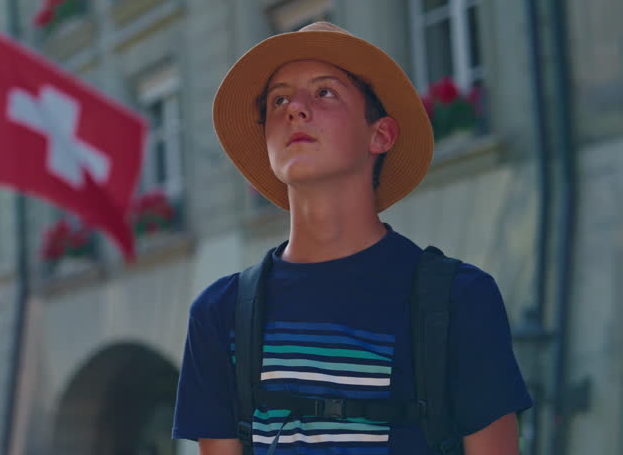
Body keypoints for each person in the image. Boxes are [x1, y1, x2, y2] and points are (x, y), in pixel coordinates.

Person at [171, 22, 533, 455]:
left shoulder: (459, 298)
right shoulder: (219, 313)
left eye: (324, 93)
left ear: (380, 135)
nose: (295, 110)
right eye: (278, 99)